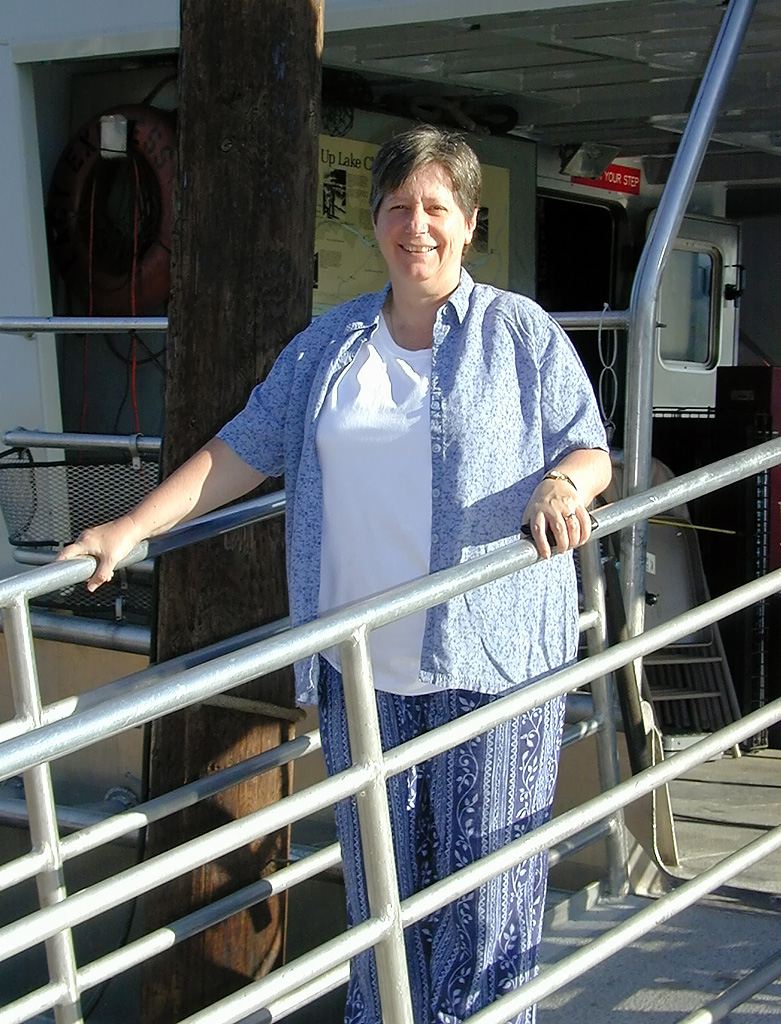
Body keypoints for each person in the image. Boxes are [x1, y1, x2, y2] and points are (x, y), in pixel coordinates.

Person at [59, 124, 612, 1024]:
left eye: (437, 208)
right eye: (399, 207)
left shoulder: (518, 332)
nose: (417, 227)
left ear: (468, 224)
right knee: (380, 920)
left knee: (482, 915)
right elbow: (241, 450)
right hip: (361, 677)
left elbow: (588, 449)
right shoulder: (331, 345)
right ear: (376, 222)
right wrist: (128, 527)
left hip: (491, 666)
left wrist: (560, 484)